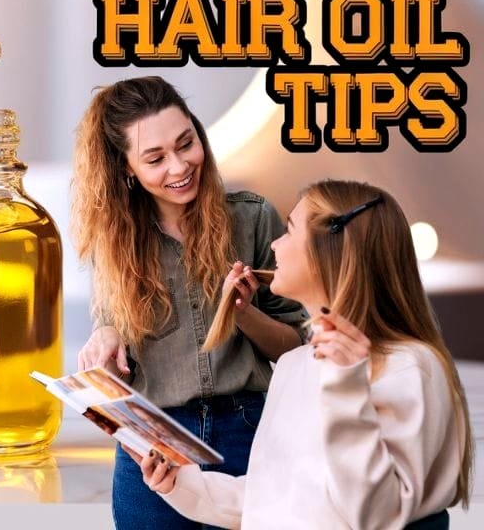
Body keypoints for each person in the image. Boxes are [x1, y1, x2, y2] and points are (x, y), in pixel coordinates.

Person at [131, 180, 474, 530]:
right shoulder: (295, 364)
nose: (275, 245)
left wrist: (346, 389)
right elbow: (271, 500)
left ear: (330, 252)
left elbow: (378, 515)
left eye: (289, 231)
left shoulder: (409, 367)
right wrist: (179, 481)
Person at [71, 76, 307, 529]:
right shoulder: (113, 243)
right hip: (153, 445)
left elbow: (294, 347)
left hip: (249, 432)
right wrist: (104, 337)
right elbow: (110, 327)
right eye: (155, 159)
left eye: (186, 144)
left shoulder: (253, 218)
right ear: (127, 170)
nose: (179, 166)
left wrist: (242, 313)